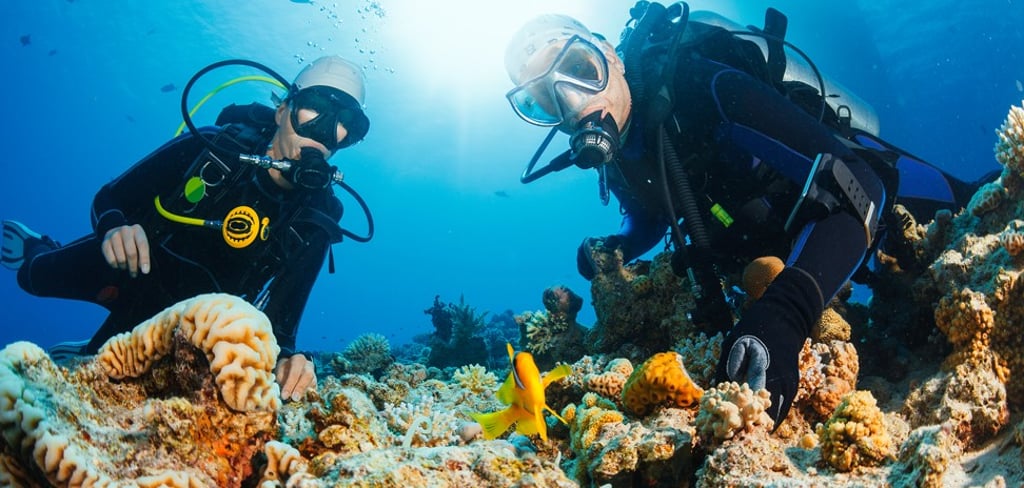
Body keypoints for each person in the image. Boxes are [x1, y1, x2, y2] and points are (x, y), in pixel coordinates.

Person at [502, 3, 989, 427]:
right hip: (800, 256)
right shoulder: (625, 158)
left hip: (886, 203)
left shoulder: (699, 85)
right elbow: (649, 214)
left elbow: (858, 183)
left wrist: (785, 313)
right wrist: (622, 244)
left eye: (579, 71)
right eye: (546, 102)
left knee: (984, 209)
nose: (574, 104)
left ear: (610, 55)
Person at [1, 55, 372, 402]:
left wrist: (290, 360)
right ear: (282, 110)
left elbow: (283, 325)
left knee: (103, 380)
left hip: (183, 324)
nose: (326, 131)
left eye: (345, 123)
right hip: (130, 264)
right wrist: (115, 228)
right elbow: (110, 198)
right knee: (33, 278)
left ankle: (89, 350)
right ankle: (38, 248)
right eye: (316, 108)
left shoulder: (319, 216)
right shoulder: (213, 146)